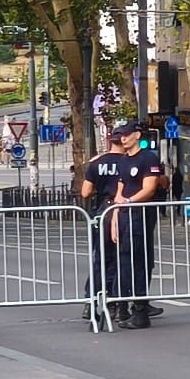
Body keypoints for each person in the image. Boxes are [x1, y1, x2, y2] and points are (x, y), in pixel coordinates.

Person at [110, 121, 165, 328]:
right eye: (121, 135)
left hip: (140, 215)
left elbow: (149, 188)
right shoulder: (124, 160)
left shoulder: (148, 158)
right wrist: (115, 217)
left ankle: (141, 311)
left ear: (137, 135)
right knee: (125, 261)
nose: (123, 139)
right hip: (125, 215)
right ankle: (124, 306)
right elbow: (120, 190)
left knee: (138, 261)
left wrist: (129, 201)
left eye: (126, 134)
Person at [80, 130, 125, 322]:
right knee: (118, 260)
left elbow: (85, 192)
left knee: (100, 260)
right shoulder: (128, 162)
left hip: (102, 211)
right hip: (122, 210)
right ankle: (113, 302)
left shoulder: (97, 163)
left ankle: (90, 301)